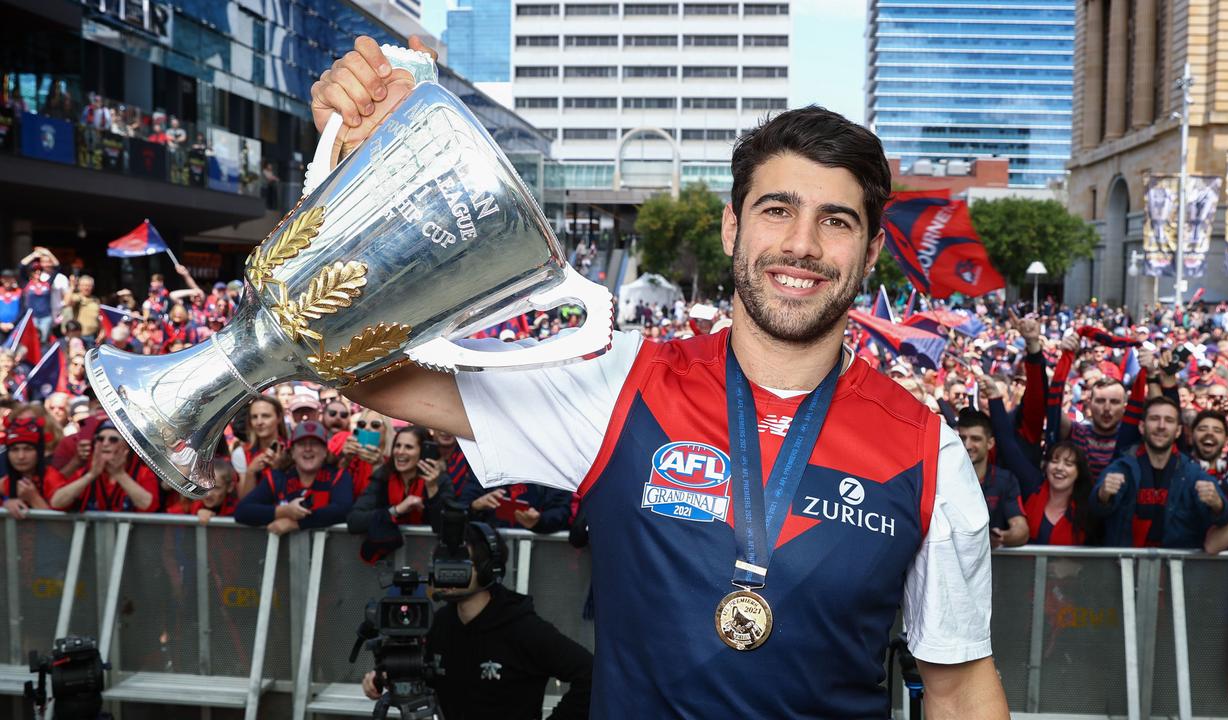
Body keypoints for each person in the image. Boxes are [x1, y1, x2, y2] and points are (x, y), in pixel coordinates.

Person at [320, 37, 1004, 718]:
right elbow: (359, 368)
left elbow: (960, 689)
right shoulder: (620, 383)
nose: (802, 243)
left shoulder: (929, 453)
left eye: (837, 221)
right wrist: (359, 170)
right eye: (777, 210)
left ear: (873, 250)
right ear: (732, 228)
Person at [359, 520, 592, 720]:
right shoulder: (440, 623)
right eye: (442, 560)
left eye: (459, 562)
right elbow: (424, 675)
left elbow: (590, 674)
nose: (447, 570)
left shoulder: (524, 628)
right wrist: (383, 677)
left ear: (488, 568)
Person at [1091, 397, 1228, 548]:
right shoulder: (1122, 467)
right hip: (1124, 566)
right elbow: (1095, 511)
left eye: (1169, 420)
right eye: (1154, 419)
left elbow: (1223, 519)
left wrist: (1217, 504)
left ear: (1178, 431)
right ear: (1142, 427)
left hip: (1176, 569)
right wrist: (1103, 496)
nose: (1161, 426)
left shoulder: (1192, 473)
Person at [234, 421, 354, 534]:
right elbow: (242, 511)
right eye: (302, 444)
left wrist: (296, 523)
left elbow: (344, 510)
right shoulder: (278, 477)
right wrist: (284, 511)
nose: (308, 449)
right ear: (292, 452)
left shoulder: (339, 476)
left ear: (325, 451)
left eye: (314, 443)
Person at [347, 426, 447, 562]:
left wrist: (432, 489)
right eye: (397, 446)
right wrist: (396, 510)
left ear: (423, 452)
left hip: (428, 560)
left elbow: (444, 528)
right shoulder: (383, 476)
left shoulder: (440, 480)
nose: (400, 452)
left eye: (408, 447)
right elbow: (354, 521)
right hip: (388, 563)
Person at [955, 408, 1029, 549]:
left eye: (975, 439)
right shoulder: (944, 478)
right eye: (962, 438)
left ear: (990, 443)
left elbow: (1021, 530)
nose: (967, 445)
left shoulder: (1005, 480)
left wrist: (1002, 537)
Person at [49, 421, 159, 512]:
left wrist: (119, 474)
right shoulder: (85, 472)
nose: (105, 443)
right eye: (100, 439)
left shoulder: (143, 473)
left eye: (113, 439)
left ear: (127, 446)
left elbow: (149, 506)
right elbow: (56, 503)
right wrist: (91, 475)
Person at [0, 417, 62, 518]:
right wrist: (6, 505)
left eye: (28, 449)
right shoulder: (6, 482)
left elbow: (63, 530)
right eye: (14, 450)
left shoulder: (53, 479)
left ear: (39, 452)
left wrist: (34, 499)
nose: (21, 456)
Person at [237, 395, 288, 498]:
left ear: (278, 417)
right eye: (254, 417)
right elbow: (243, 501)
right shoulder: (241, 453)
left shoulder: (292, 449)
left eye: (265, 416)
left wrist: (280, 468)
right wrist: (250, 472)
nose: (259, 422)